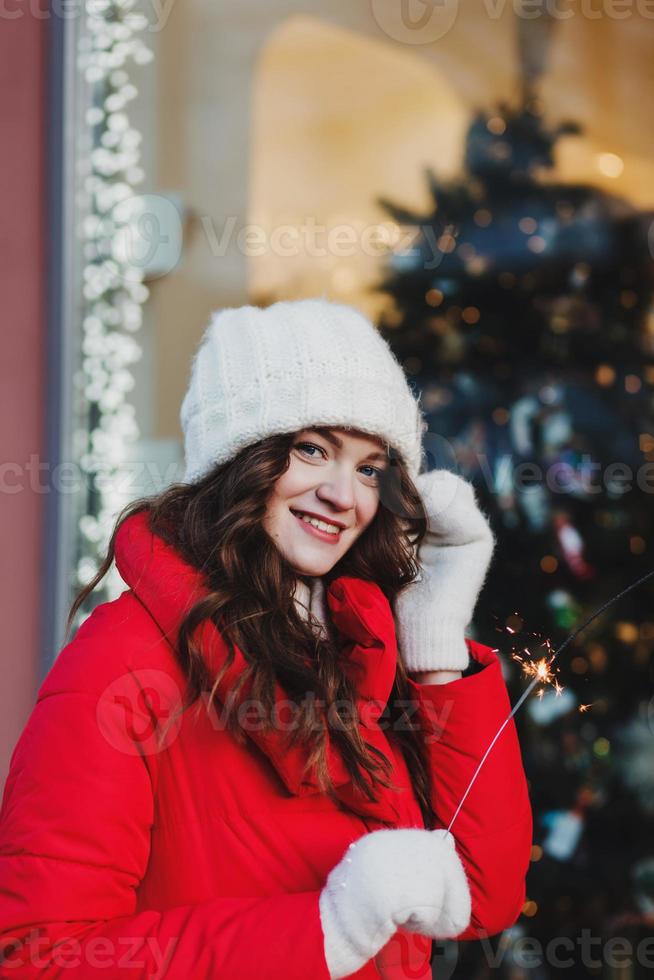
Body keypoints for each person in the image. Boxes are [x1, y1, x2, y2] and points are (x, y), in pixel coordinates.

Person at [0, 298, 532, 979]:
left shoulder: (357, 649)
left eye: (371, 468)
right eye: (312, 449)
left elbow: (483, 897)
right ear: (238, 457)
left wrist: (433, 638)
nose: (345, 495)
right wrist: (326, 928)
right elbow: (41, 955)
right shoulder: (126, 658)